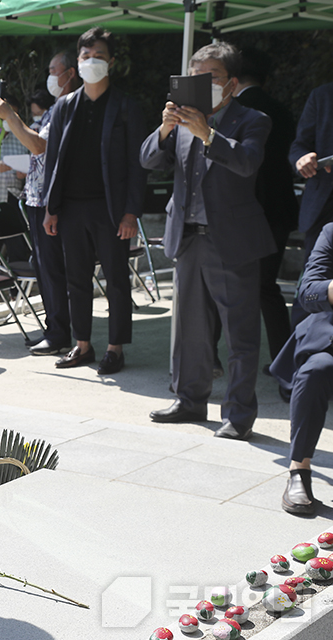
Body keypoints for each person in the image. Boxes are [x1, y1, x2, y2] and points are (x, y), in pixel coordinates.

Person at [140, 42, 273, 439]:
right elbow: (148, 159)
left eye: (210, 78)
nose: (202, 86)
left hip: (231, 240)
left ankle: (238, 414)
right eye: (195, 78)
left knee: (240, 332)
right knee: (189, 329)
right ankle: (189, 399)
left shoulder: (254, 119)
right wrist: (165, 128)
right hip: (187, 238)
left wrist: (208, 134)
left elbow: (248, 163)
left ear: (231, 83)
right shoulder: (181, 122)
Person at [42, 28, 147, 375]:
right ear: (77, 61)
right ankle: (82, 344)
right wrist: (50, 208)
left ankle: (115, 348)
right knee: (76, 278)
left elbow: (137, 163)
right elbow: (54, 160)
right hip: (71, 207)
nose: (91, 62)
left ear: (111, 61)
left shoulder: (127, 106)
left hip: (112, 209)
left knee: (117, 279)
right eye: (86, 56)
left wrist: (131, 211)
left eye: (98, 55)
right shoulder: (64, 106)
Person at [0, 50, 82, 357]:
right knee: (46, 269)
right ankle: (55, 329)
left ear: (69, 73)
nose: (50, 76)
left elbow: (38, 146)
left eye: (54, 70)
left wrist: (9, 116)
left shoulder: (66, 109)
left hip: (50, 202)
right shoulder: (60, 108)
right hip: (40, 200)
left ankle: (58, 334)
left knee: (52, 269)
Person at [233, 47, 298, 370]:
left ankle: (214, 359)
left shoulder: (236, 110)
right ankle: (282, 358)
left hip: (242, 210)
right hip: (279, 207)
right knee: (266, 286)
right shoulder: (282, 110)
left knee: (225, 284)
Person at [271, 222, 333, 515]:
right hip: (329, 339)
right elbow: (308, 293)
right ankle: (299, 469)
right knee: (315, 370)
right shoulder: (331, 232)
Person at [289, 82, 333, 328]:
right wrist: (302, 159)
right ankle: (300, 358)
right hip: (323, 208)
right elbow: (299, 145)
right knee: (310, 286)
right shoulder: (323, 96)